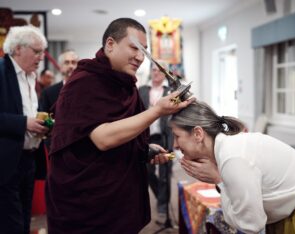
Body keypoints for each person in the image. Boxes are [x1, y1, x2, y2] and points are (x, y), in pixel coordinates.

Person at [45, 18, 195, 234]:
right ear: (110, 44)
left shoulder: (126, 85)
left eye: (144, 51)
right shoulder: (84, 82)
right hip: (86, 203)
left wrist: (143, 150)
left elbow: (124, 132)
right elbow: (103, 138)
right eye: (134, 47)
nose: (140, 57)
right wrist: (157, 111)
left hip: (120, 198)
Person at [170, 101, 295, 234]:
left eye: (177, 136)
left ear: (198, 134)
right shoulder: (228, 146)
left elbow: (251, 225)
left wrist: (218, 180)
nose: (175, 145)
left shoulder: (232, 158)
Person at [0, 25, 49, 234]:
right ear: (18, 49)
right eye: (36, 51)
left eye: (42, 52)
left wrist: (41, 127)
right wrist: (24, 123)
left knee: (24, 220)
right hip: (6, 162)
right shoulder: (1, 71)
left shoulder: (31, 76)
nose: (41, 57)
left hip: (28, 158)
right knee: (12, 224)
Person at [139, 61, 173, 224]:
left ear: (166, 73)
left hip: (165, 137)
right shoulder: (143, 90)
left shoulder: (170, 91)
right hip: (146, 137)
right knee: (147, 172)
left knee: (166, 175)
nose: (156, 73)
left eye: (160, 70)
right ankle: (161, 196)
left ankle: (162, 208)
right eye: (154, 69)